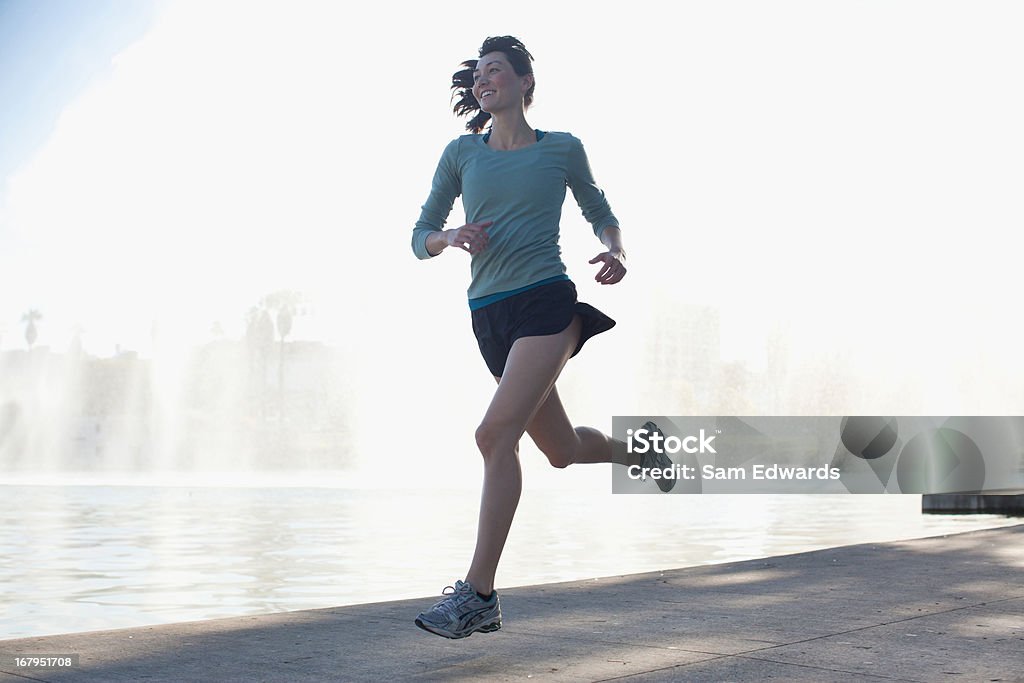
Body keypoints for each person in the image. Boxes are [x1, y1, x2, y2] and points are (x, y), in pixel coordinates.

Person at [410, 36, 673, 640]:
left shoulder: (561, 149)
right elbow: (419, 233)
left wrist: (615, 250)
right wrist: (448, 239)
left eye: (496, 71)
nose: (484, 80)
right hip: (489, 315)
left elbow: (598, 209)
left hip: (545, 303)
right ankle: (641, 449)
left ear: (526, 82)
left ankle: (478, 595)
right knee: (560, 450)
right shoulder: (460, 154)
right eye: (478, 74)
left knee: (493, 434)